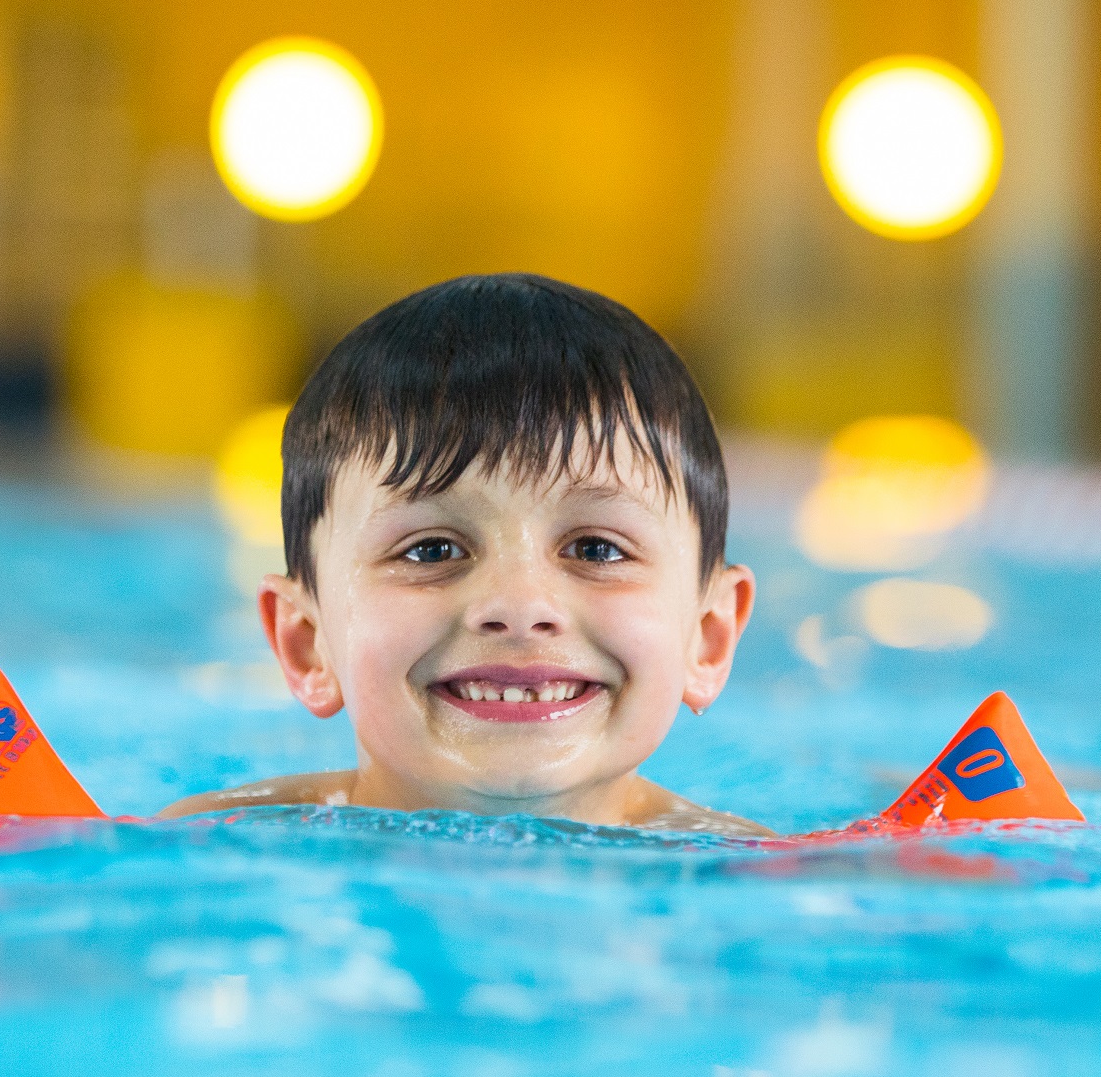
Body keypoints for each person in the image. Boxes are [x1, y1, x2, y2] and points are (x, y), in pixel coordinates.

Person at [161, 273, 767, 833]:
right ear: (306, 641)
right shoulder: (214, 846)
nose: (520, 605)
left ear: (708, 636)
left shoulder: (764, 882)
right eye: (430, 550)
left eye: (596, 549)